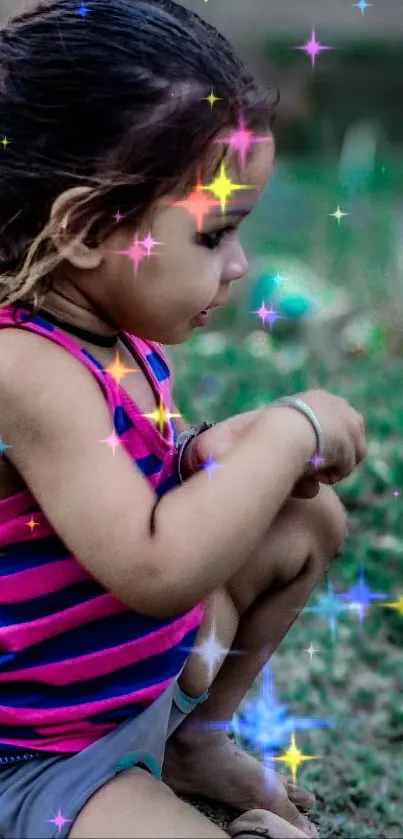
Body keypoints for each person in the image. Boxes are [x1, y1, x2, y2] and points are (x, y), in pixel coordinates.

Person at [0, 1, 367, 837]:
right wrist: (283, 430)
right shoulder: (23, 368)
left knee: (301, 516)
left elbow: (114, 490)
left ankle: (194, 736)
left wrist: (202, 453)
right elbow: (153, 566)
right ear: (90, 227)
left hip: (140, 672)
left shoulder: (112, 325)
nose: (238, 267)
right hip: (47, 749)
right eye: (215, 236)